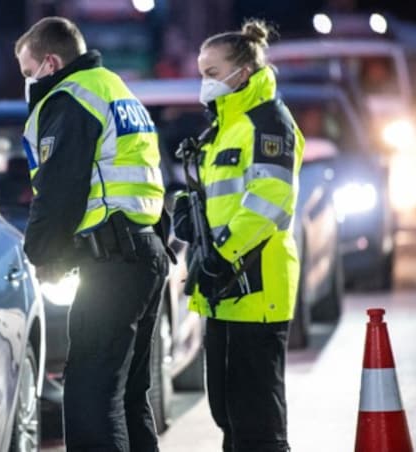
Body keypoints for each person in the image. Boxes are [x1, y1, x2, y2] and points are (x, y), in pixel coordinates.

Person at [15, 16, 172, 451]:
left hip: (112, 262)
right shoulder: (116, 89)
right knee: (127, 394)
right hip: (145, 252)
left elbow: (60, 188)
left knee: (89, 398)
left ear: (50, 62)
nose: (28, 83)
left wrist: (43, 255)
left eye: (29, 73)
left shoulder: (68, 98)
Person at [171, 19, 304, 452]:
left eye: (212, 72)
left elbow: (270, 199)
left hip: (256, 285)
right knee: (228, 414)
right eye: (201, 72)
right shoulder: (226, 124)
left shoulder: (268, 123)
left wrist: (222, 255)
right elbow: (226, 198)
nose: (204, 82)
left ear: (241, 72)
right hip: (225, 288)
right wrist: (194, 217)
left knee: (258, 425)